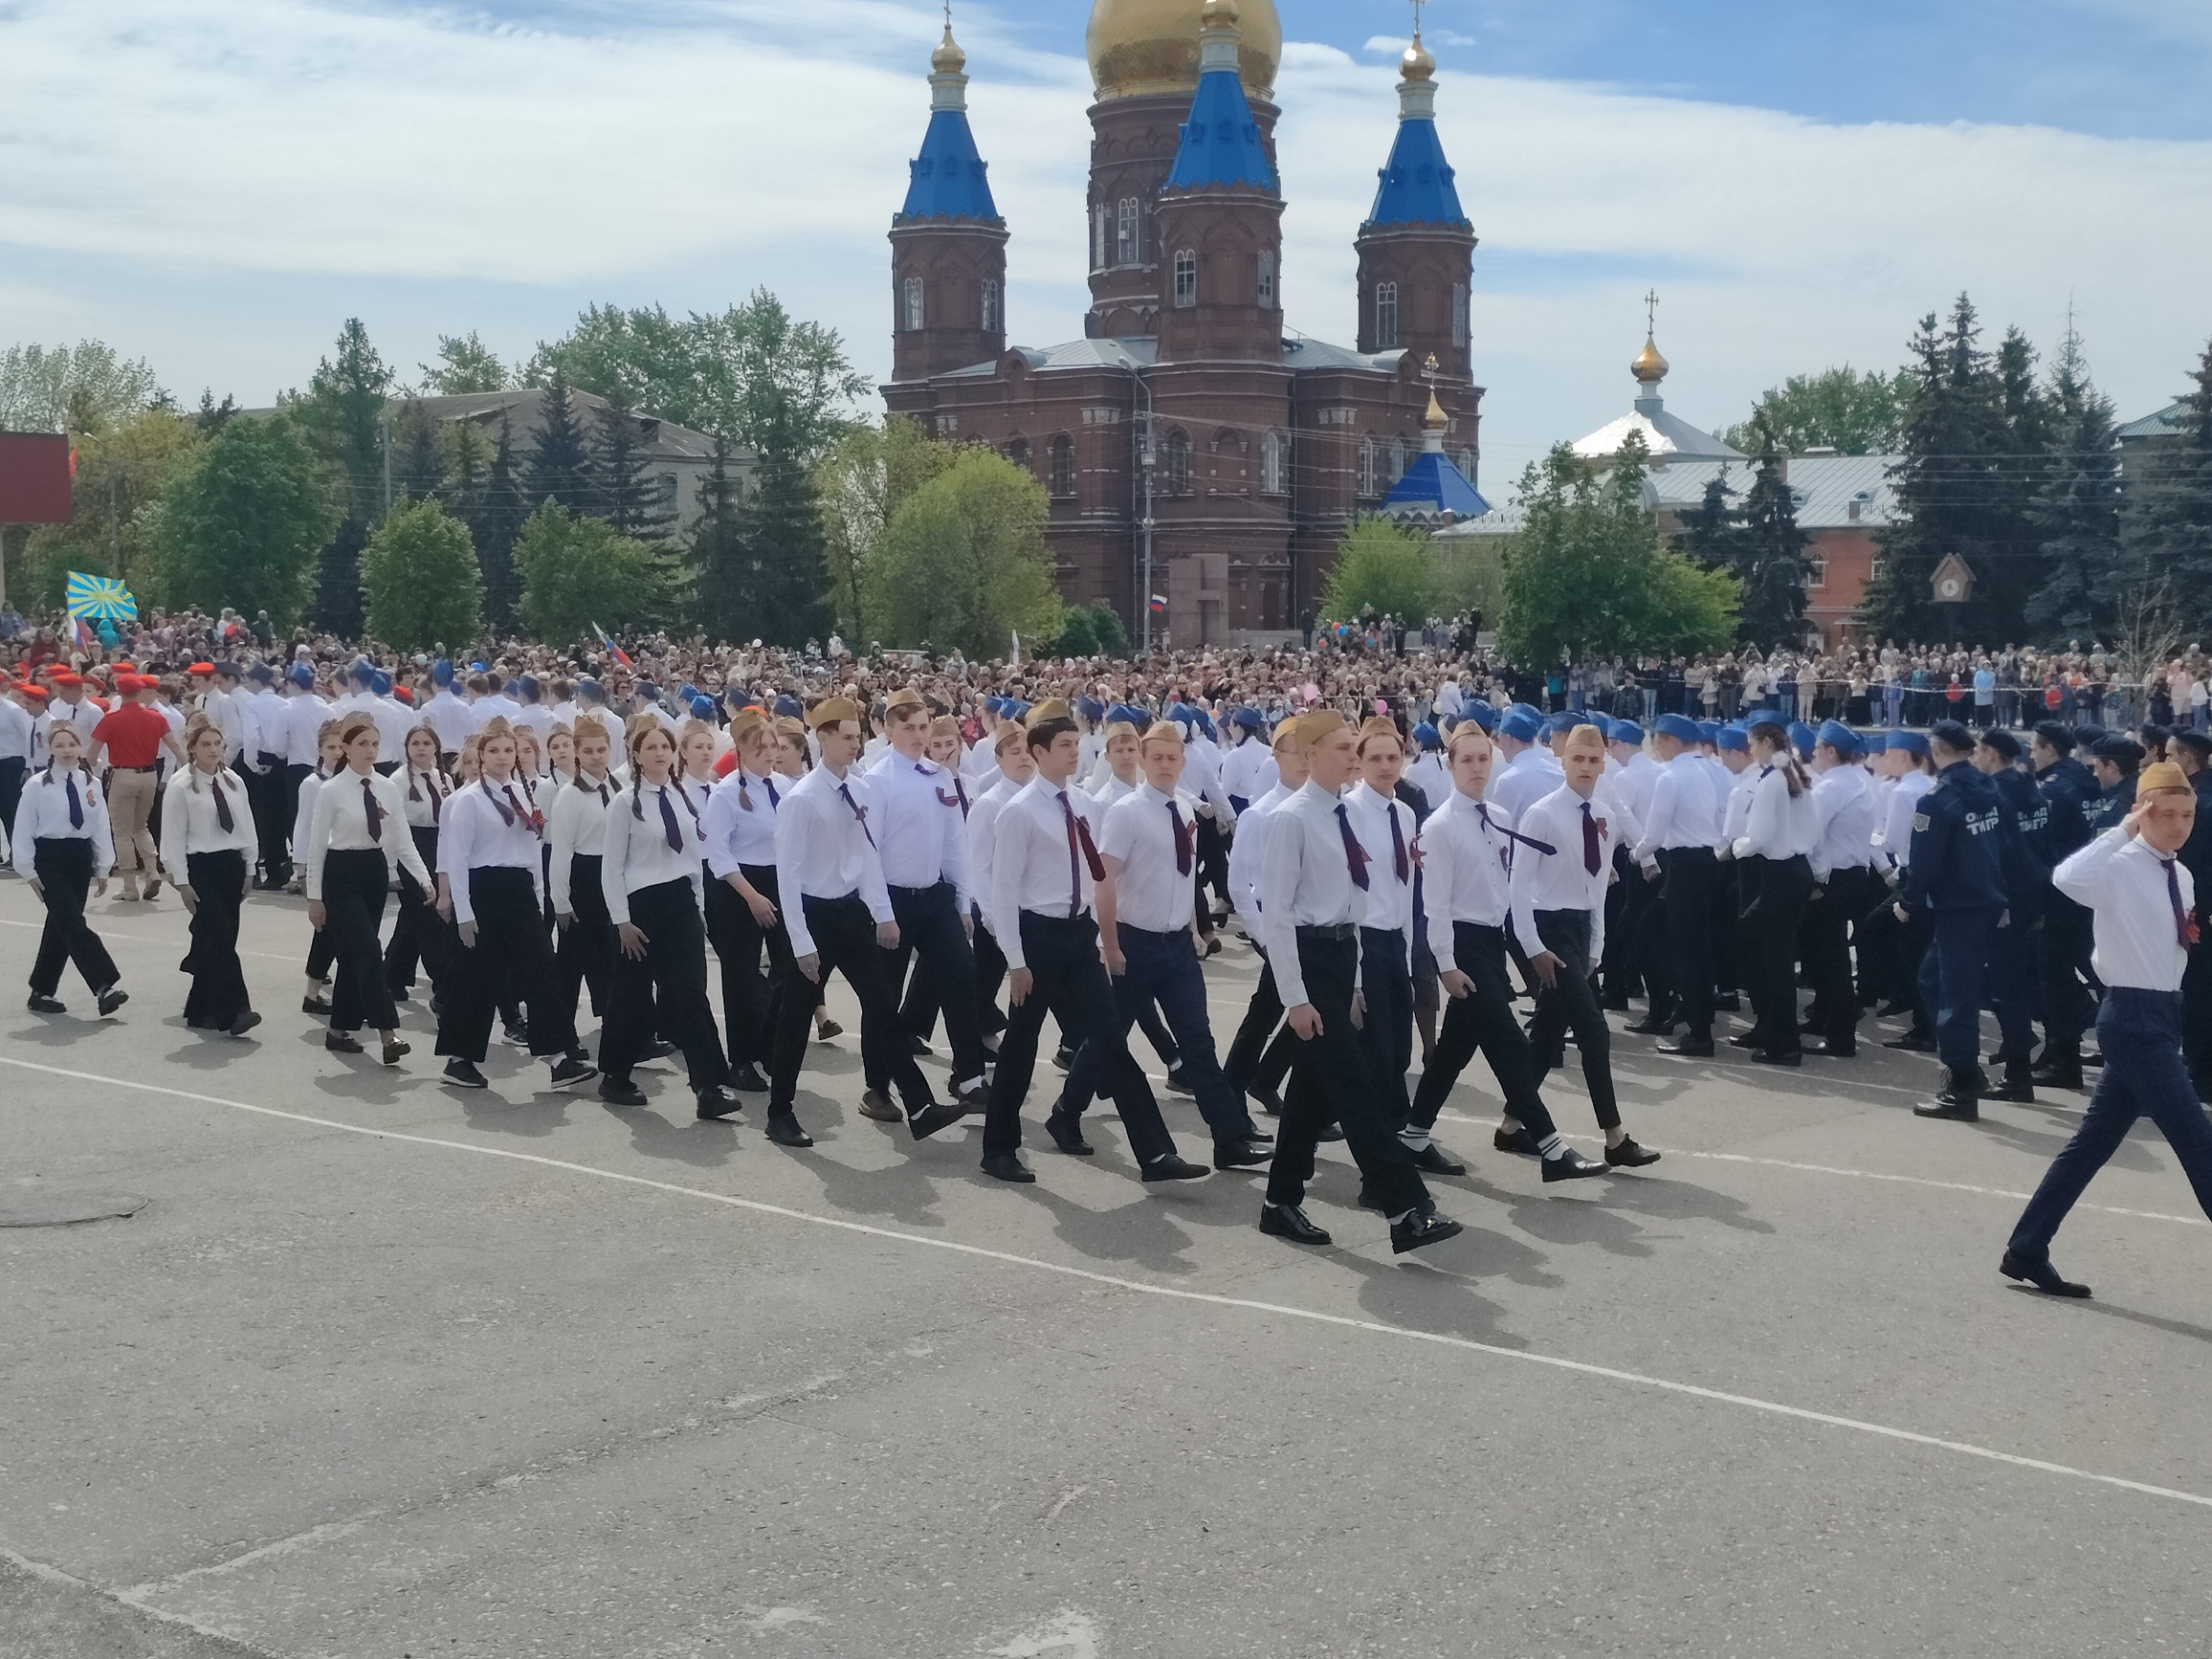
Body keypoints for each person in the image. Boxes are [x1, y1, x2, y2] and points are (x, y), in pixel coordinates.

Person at [2001, 762, 2212, 1296]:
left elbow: (2174, 946)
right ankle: (2027, 1244)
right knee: (2197, 1142)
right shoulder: (2117, 863)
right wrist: (2123, 829)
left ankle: (2027, 1246)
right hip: (2132, 1017)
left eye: (2187, 814)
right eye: (2166, 814)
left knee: (2091, 1144)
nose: (2180, 824)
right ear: (2142, 812)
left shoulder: (2180, 875)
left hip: (2162, 1015)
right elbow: (2067, 878)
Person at [1253, 709, 1460, 1250]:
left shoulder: (1340, 815)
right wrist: (1296, 999)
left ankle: (1280, 1202)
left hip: (1346, 956)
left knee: (1311, 1091)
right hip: (1311, 958)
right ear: (1312, 755)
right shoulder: (1291, 818)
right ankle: (1407, 1209)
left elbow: (1358, 901)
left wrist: (1360, 980)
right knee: (1355, 1085)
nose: (1354, 755)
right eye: (1344, 748)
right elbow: (1276, 916)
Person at [979, 706, 1211, 1185]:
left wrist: (1102, 939)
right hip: (1037, 939)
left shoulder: (1082, 804)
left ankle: (1154, 1154)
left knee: (1111, 1041)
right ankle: (998, 1149)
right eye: (1064, 745)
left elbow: (1096, 874)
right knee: (1021, 1048)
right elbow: (1002, 890)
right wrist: (1016, 961)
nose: (1074, 752)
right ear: (1039, 752)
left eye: (1076, 743)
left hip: (1078, 938)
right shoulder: (1018, 812)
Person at [1407, 723, 1607, 1181]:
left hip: (1492, 944)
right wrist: (1446, 965)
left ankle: (1414, 1134)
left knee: (1454, 1051)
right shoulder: (1440, 826)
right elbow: (1434, 905)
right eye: (1467, 760)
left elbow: (1507, 890)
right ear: (1451, 766)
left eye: (1483, 759)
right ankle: (1552, 1148)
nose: (1477, 768)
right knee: (1511, 1048)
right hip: (1463, 945)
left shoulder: (1496, 815)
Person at [767, 697, 962, 1149]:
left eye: (858, 736)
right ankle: (780, 1113)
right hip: (813, 916)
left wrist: (883, 914)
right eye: (849, 737)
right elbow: (788, 877)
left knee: (882, 1007)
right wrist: (800, 942)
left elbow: (868, 855)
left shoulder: (859, 789)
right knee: (794, 1020)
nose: (857, 744)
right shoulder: (801, 799)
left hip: (851, 914)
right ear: (824, 737)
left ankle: (919, 1104)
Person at [1078, 720, 1273, 1170]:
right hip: (1135, 943)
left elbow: (1183, 878)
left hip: (1176, 949)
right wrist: (1110, 947)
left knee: (1199, 1044)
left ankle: (1228, 1139)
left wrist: (1192, 931)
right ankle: (1066, 1113)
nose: (1166, 766)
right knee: (1108, 1041)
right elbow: (1104, 883)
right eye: (1157, 758)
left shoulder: (1183, 811)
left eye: (1173, 758)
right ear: (1143, 762)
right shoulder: (1126, 812)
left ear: (1184, 763)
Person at [1507, 722, 1663, 1168]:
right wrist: (1532, 946)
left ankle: (1511, 1125)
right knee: (1593, 1029)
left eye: (1595, 760)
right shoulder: (1541, 813)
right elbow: (1519, 888)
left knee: (1547, 1035)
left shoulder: (1604, 817)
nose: (1586, 768)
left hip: (1578, 929)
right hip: (1549, 930)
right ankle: (1614, 1136)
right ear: (1563, 760)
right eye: (1578, 759)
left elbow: (1597, 888)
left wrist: (1597, 940)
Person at [433, 717, 598, 1093]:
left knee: (542, 967)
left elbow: (532, 847)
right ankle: (459, 1060)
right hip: (482, 889)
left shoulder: (524, 793)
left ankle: (557, 1057)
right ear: (481, 755)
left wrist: (539, 895)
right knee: (477, 976)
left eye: (509, 750)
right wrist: (464, 912)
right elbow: (457, 858)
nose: (504, 757)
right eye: (495, 751)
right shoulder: (468, 801)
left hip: (520, 891)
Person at [597, 717, 743, 1117]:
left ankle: (708, 1087)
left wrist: (697, 906)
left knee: (691, 995)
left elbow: (694, 856)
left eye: (665, 747)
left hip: (680, 903)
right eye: (651, 749)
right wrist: (622, 920)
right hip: (640, 907)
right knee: (631, 995)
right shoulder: (626, 803)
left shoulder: (682, 797)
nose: (660, 754)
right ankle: (615, 1075)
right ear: (638, 758)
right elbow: (611, 866)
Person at [859, 688, 989, 1115]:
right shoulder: (877, 781)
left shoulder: (941, 776)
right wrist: (882, 913)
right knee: (885, 996)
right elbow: (868, 851)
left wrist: (963, 903)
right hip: (893, 901)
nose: (918, 735)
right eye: (909, 728)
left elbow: (956, 843)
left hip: (936, 897)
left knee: (960, 979)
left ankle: (970, 1078)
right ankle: (877, 1087)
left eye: (923, 727)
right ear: (890, 730)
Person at [1901, 721, 2008, 1121]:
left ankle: (1962, 1083)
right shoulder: (1988, 788)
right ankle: (1967, 1070)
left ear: (1936, 749)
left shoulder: (1938, 798)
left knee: (1955, 996)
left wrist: (1909, 901)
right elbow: (2003, 845)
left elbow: (1924, 861)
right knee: (1932, 980)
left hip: (1960, 907)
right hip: (1983, 900)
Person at [306, 715, 426, 1066]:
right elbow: (316, 846)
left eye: (374, 744)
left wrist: (424, 878)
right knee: (370, 950)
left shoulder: (387, 788)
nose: (370, 751)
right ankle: (388, 1033)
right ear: (345, 748)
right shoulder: (331, 791)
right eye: (362, 744)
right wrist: (315, 896)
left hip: (373, 871)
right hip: (341, 873)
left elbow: (403, 839)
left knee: (355, 956)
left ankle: (339, 1029)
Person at [702, 708, 791, 1095]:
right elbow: (717, 853)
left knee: (789, 968)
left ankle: (770, 1044)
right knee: (739, 974)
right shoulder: (725, 794)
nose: (770, 754)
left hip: (778, 879)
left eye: (773, 746)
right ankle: (741, 1060)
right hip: (738, 885)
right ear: (740, 750)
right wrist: (752, 896)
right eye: (760, 748)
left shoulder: (786, 787)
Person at [1623, 713, 1722, 1056]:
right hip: (1708, 860)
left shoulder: (1672, 776)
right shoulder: (1708, 770)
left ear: (1672, 741)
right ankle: (1695, 1016)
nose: (1657, 749)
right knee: (1697, 946)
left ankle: (1697, 1031)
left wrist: (1636, 855)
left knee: (1680, 946)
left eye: (1659, 741)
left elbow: (1654, 833)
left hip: (1683, 864)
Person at [158, 715, 259, 1036]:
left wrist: (250, 866)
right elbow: (172, 835)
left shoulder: (234, 781)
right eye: (206, 744)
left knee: (220, 939)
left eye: (217, 744)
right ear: (192, 749)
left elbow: (246, 825)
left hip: (230, 864)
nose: (213, 749)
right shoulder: (181, 785)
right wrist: (181, 879)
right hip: (200, 866)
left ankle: (200, 1008)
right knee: (218, 936)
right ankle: (238, 1011)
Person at [19, 723, 127, 1018]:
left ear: (80, 747)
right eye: (60, 745)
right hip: (50, 857)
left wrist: (104, 865)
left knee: (61, 925)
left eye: (71, 744)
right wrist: (27, 869)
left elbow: (100, 825)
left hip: (79, 857)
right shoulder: (38, 785)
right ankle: (104, 985)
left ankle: (41, 990)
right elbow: (24, 828)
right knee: (71, 922)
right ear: (50, 750)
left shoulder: (90, 783)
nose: (66, 750)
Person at [1731, 720, 1820, 1067]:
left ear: (1767, 742)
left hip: (1780, 874)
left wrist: (1731, 848)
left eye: (1753, 745)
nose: (1751, 751)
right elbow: (1813, 830)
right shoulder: (1794, 776)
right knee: (1763, 949)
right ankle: (1772, 1028)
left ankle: (1783, 1043)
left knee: (1773, 959)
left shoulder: (1772, 781)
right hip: (1796, 871)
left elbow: (1759, 836)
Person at [548, 716, 623, 1037]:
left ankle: (617, 1027)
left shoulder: (620, 787)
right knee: (572, 961)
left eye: (602, 749)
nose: (597, 756)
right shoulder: (570, 795)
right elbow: (561, 850)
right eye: (589, 750)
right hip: (583, 877)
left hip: (613, 875)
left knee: (611, 956)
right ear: (578, 753)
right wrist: (561, 901)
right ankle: (559, 1033)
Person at [89, 673, 187, 901]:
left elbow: (92, 755)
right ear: (140, 691)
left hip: (123, 774)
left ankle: (130, 885)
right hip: (149, 775)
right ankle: (152, 871)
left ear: (119, 692)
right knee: (141, 826)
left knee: (122, 832)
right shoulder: (156, 717)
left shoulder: (111, 718)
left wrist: (102, 765)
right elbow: (175, 747)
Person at [383, 724, 453, 1010]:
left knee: (412, 918)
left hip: (438, 847)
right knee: (429, 918)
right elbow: (391, 826)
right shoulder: (397, 781)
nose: (421, 748)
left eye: (426, 743)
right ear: (407, 748)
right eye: (415, 743)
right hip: (409, 849)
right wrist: (390, 868)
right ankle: (444, 988)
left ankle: (392, 975)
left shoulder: (444, 778)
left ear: (436, 747)